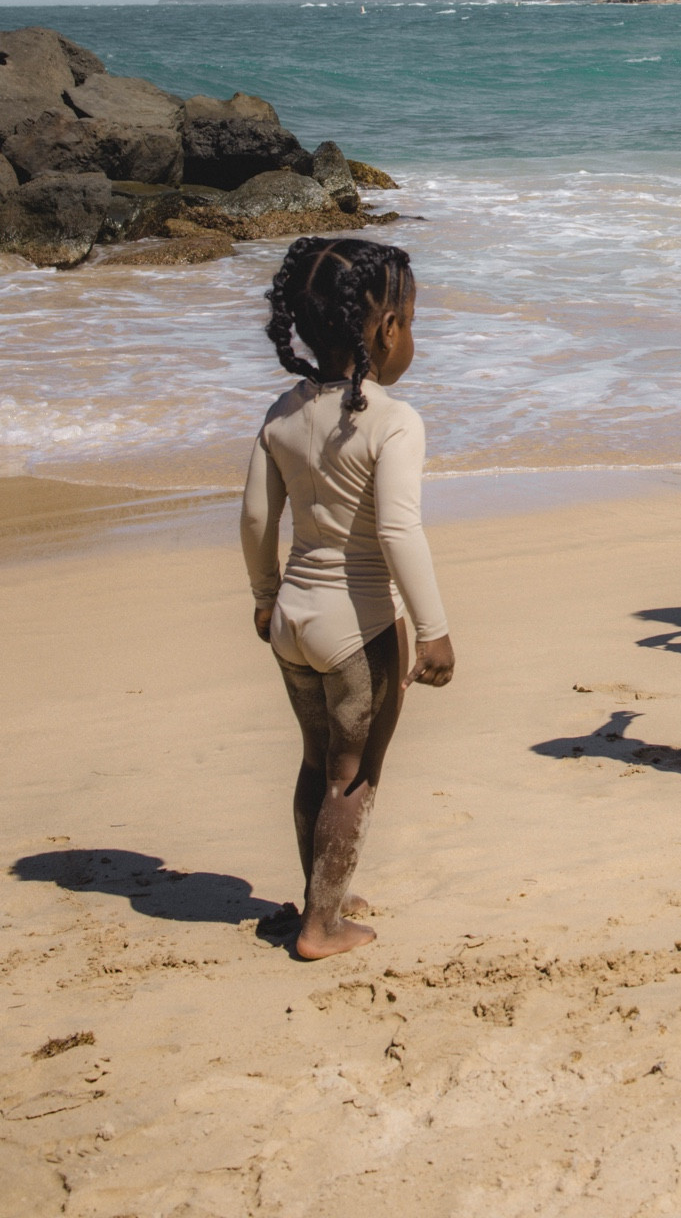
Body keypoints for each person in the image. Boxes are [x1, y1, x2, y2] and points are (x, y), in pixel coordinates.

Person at [240, 237, 455, 959]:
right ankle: (322, 926)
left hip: (293, 620)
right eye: (411, 321)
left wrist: (265, 595)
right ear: (387, 329)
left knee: (315, 762)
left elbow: (256, 520)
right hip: (357, 626)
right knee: (354, 774)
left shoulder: (281, 413)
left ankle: (321, 892)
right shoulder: (392, 420)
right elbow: (397, 531)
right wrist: (433, 628)